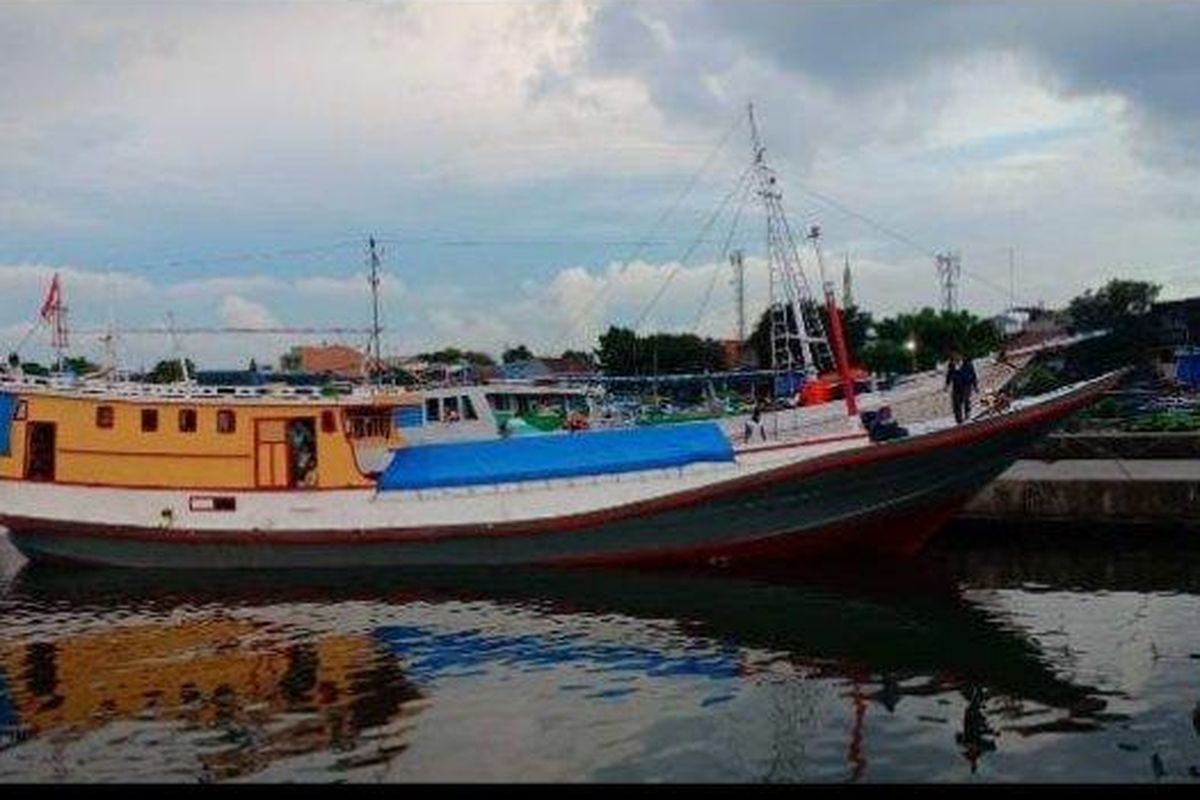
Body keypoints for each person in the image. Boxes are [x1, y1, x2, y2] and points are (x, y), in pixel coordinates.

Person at [945, 349, 979, 424]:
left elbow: (973, 375)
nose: (955, 357)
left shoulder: (967, 363)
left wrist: (975, 386)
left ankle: (967, 412)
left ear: (960, 355)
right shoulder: (951, 365)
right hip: (956, 386)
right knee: (956, 402)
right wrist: (947, 385)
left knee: (965, 398)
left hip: (966, 384)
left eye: (956, 355)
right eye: (953, 356)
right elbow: (949, 375)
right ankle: (959, 420)